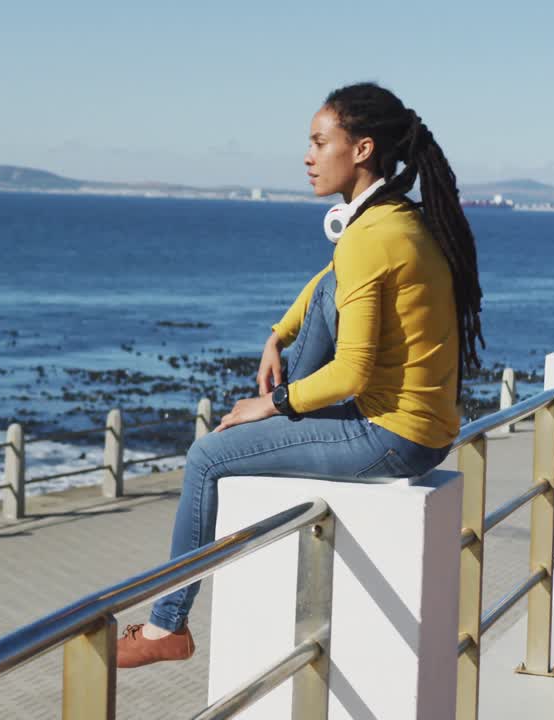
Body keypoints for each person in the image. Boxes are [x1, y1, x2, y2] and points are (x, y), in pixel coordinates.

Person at [116, 82, 485, 669]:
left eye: (320, 142)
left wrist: (276, 403)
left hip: (393, 437)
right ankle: (170, 623)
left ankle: (168, 629)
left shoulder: (372, 236)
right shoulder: (394, 218)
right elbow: (330, 284)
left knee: (208, 458)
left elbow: (351, 372)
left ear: (361, 149)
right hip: (419, 425)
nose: (308, 157)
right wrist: (277, 334)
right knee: (326, 296)